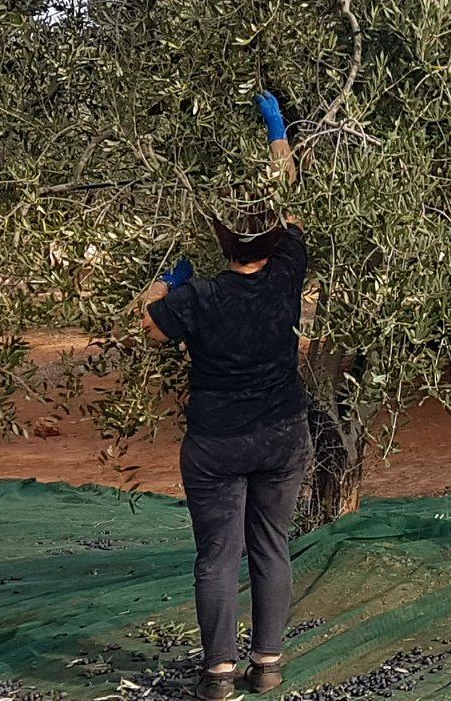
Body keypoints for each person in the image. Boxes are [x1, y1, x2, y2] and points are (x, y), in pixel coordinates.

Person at [138, 91, 309, 701]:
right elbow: (290, 200)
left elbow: (150, 328)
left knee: (217, 554)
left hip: (215, 444)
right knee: (271, 545)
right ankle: (268, 665)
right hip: (282, 434)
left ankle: (218, 677)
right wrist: (276, 132)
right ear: (268, 241)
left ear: (220, 241)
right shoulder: (289, 274)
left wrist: (165, 282)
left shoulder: (199, 299)